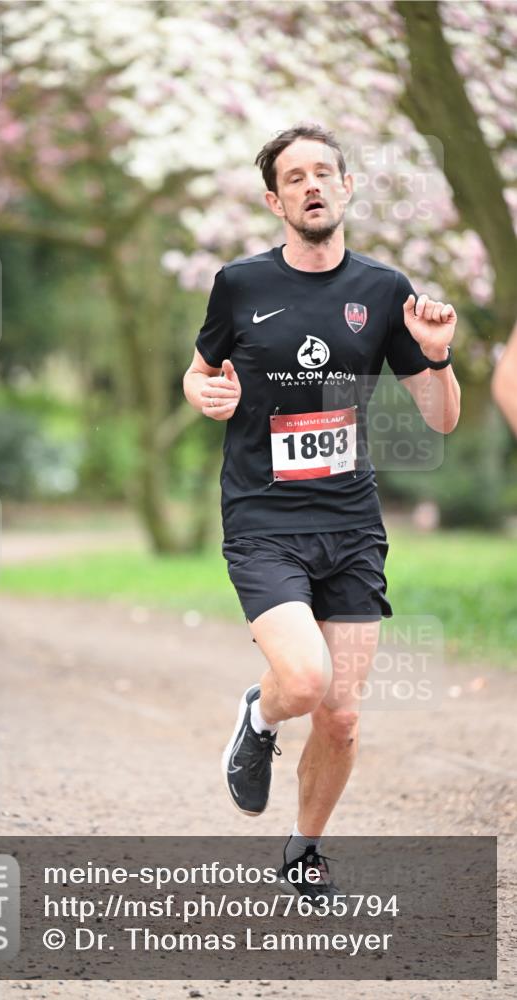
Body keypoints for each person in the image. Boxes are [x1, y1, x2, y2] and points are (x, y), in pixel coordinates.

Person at [182, 123, 461, 903]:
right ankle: (259, 716)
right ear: (274, 199)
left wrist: (435, 356)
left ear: (344, 188)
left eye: (322, 173)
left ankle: (304, 849)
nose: (310, 185)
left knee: (340, 718)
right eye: (293, 177)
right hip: (263, 517)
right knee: (301, 682)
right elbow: (199, 373)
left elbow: (440, 417)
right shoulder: (239, 283)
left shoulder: (382, 290)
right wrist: (203, 392)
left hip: (349, 522)